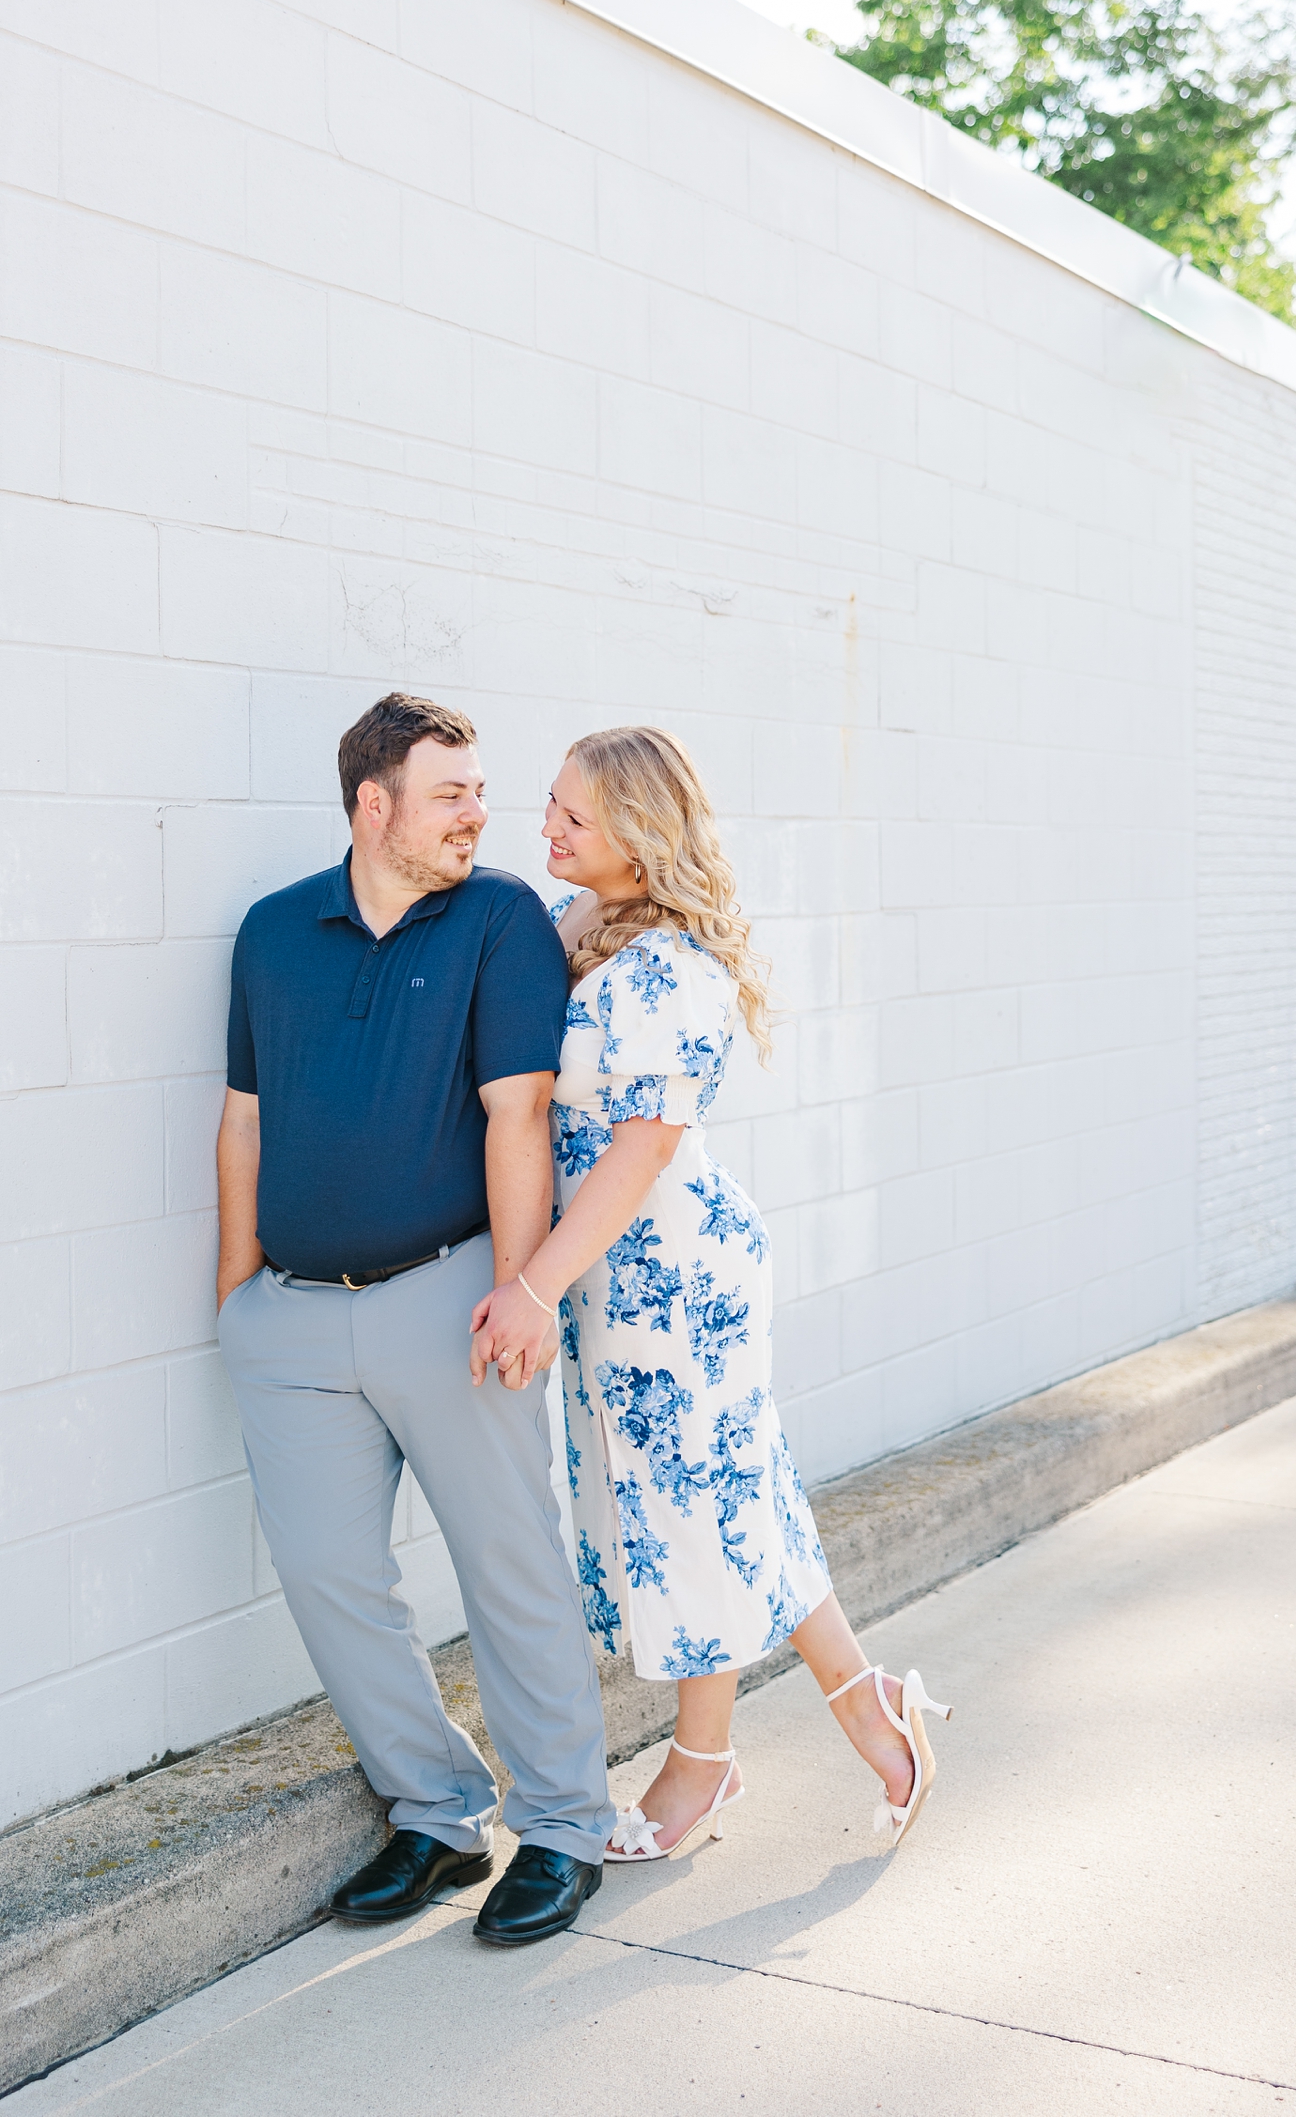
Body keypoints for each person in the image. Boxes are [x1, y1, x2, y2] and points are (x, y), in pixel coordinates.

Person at [472, 727, 952, 1861]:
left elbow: (637, 1156)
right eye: (548, 806)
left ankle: (701, 1771)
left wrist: (533, 1286)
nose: (545, 829)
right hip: (605, 1276)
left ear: (639, 836)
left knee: (692, 1506)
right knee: (738, 1497)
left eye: (571, 819)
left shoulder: (675, 970)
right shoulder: (573, 926)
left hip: (675, 1275)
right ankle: (870, 1711)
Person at [215, 693, 613, 1948]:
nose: (479, 815)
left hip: (452, 1295)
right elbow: (244, 1119)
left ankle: (561, 1828)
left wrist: (520, 1286)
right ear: (372, 806)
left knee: (510, 1565)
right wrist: (236, 1294)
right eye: (452, 794)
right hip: (292, 1319)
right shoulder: (274, 933)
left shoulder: (499, 919)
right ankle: (437, 1817)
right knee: (331, 1577)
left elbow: (519, 1112)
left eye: (480, 793)